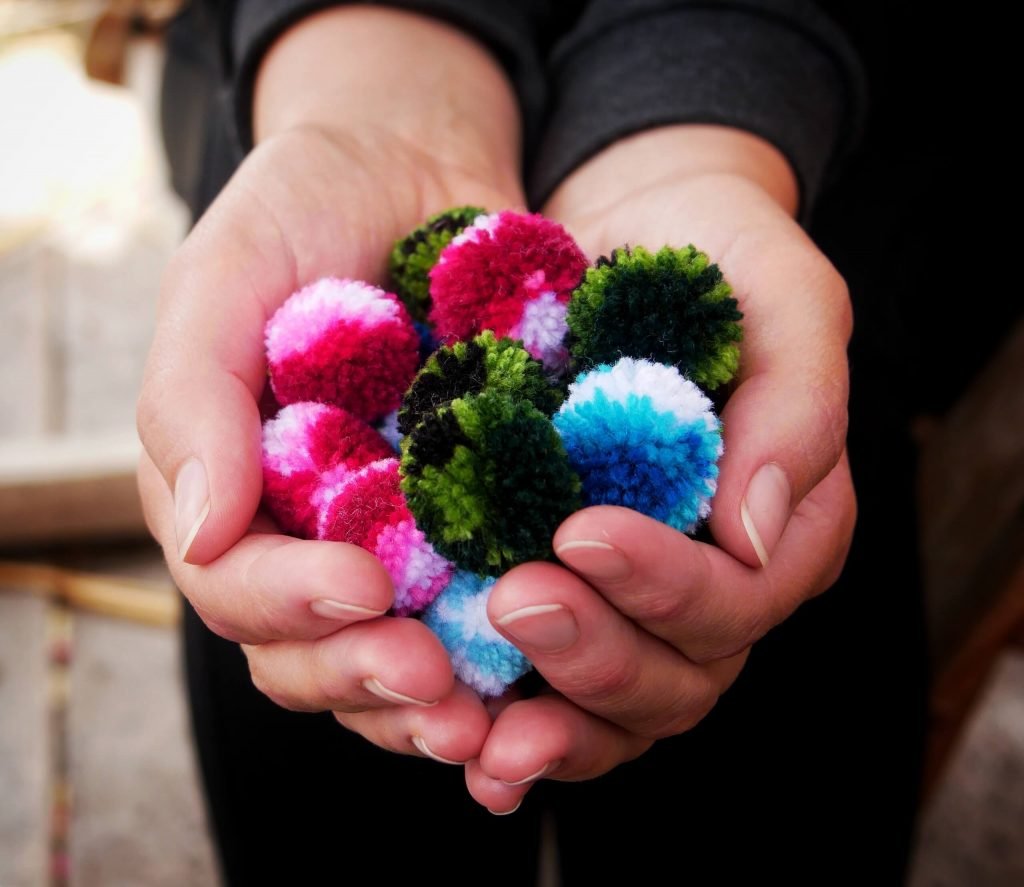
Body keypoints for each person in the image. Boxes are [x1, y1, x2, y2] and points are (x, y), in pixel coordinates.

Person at [144, 2, 936, 882]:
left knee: (768, 669)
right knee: (333, 741)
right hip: (329, 47)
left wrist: (706, 113)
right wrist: (370, 76)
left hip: (811, 104)